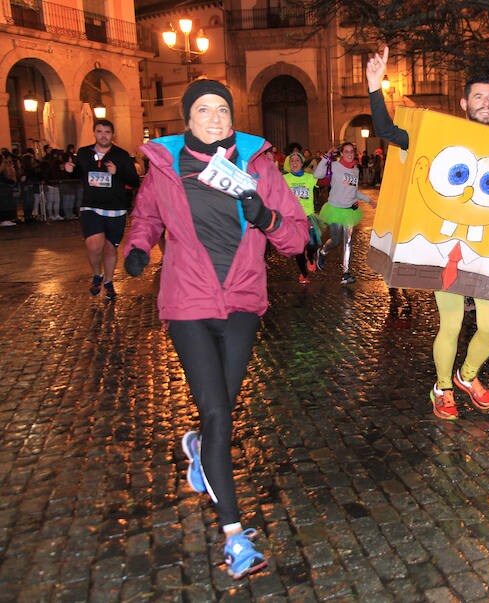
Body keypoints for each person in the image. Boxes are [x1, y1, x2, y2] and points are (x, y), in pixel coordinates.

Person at [122, 79, 308, 579]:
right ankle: (234, 537)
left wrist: (266, 216)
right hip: (187, 301)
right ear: (187, 119)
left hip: (243, 300)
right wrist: (138, 247)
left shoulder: (259, 167)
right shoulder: (165, 167)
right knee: (218, 413)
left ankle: (199, 449)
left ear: (232, 116)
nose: (214, 117)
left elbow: (295, 238)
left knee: (221, 411)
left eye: (222, 109)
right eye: (203, 109)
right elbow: (145, 216)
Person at [366, 45, 489, 421]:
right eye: (478, 96)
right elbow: (387, 131)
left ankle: (467, 376)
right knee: (453, 323)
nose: (485, 102)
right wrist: (374, 86)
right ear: (464, 102)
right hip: (446, 249)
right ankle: (442, 385)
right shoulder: (440, 135)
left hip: (488, 253)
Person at [64, 119, 140, 300]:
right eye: (99, 131)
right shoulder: (83, 153)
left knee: (110, 249)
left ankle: (108, 281)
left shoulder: (121, 155)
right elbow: (78, 173)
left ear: (112, 135)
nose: (103, 135)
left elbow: (134, 181)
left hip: (116, 209)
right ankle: (97, 275)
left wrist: (118, 173)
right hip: (91, 206)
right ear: (94, 133)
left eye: (107, 132)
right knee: (94, 244)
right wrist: (69, 170)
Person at [313, 141, 374, 284]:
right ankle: (322, 252)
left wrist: (368, 200)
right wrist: (326, 156)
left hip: (349, 211)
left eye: (351, 151)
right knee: (335, 240)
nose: (349, 154)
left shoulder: (355, 170)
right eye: (346, 151)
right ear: (341, 153)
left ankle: (345, 273)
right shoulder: (335, 166)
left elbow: (354, 191)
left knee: (348, 241)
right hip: (334, 209)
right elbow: (318, 174)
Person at [283, 151, 321, 284]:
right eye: (292, 161)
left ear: (302, 163)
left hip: (308, 216)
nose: (294, 163)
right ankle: (303, 273)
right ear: (289, 164)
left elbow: (323, 176)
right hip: (293, 218)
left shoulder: (309, 178)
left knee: (313, 244)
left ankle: (310, 257)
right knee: (298, 248)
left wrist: (326, 159)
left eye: (297, 160)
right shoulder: (285, 179)